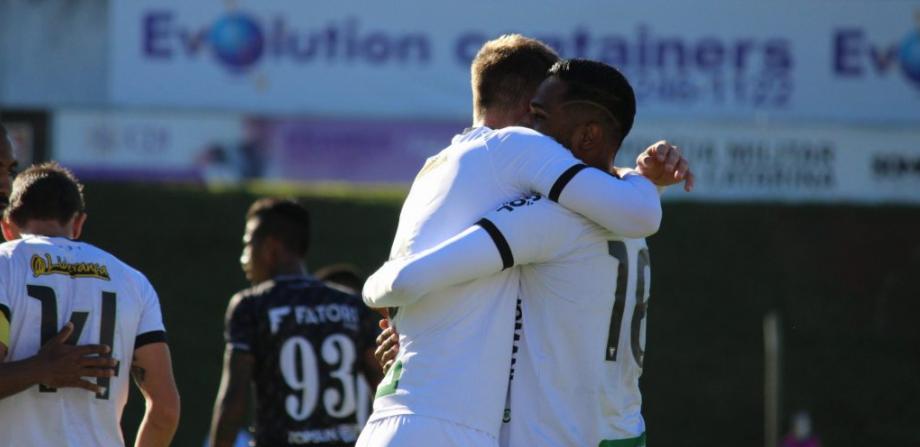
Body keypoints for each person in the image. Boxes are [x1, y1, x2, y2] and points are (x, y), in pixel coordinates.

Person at [356, 34, 687, 446]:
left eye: (543, 117)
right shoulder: (604, 201)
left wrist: (388, 299)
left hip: (516, 429)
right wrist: (644, 180)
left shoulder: (439, 172)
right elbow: (635, 210)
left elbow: (411, 281)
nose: (538, 130)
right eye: (536, 116)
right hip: (619, 429)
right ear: (524, 108)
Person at [0, 162, 180, 446]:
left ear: (7, 225)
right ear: (78, 222)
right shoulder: (133, 281)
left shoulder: (4, 264)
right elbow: (165, 410)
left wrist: (39, 369)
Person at [209, 198, 383, 447]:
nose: (244, 259)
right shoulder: (351, 305)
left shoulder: (251, 306)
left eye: (248, 245)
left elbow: (233, 402)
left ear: (271, 248)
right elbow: (384, 389)